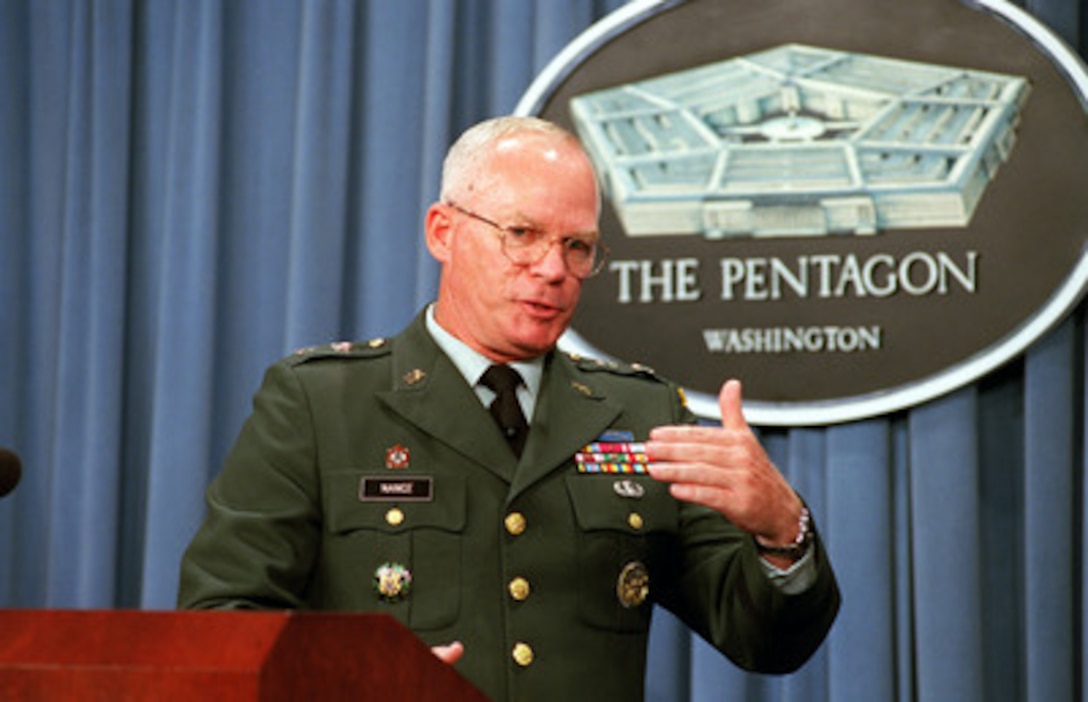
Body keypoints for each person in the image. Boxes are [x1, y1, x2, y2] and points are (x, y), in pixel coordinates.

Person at [178, 116, 840, 700]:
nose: (552, 269)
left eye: (576, 246)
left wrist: (784, 533)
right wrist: (343, 678)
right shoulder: (320, 403)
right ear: (443, 232)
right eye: (521, 234)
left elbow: (768, 645)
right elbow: (221, 622)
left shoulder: (637, 413)